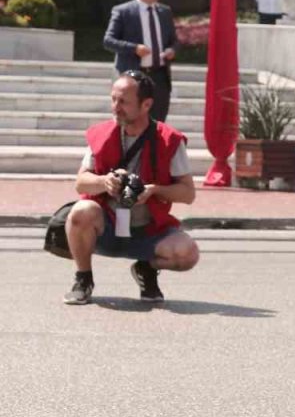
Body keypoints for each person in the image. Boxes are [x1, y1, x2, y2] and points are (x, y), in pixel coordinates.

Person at [62, 72, 200, 305]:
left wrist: (154, 190)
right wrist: (104, 181)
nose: (116, 107)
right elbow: (80, 183)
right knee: (81, 210)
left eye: (123, 101)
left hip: (148, 230)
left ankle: (145, 267)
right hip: (106, 227)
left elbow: (188, 193)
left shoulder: (169, 140)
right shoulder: (101, 134)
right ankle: (83, 279)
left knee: (188, 255)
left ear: (146, 104)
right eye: (113, 99)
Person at [103, 0, 177, 123]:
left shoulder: (165, 12)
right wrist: (135, 48)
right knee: (129, 123)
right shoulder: (123, 11)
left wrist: (172, 50)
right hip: (133, 77)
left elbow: (174, 41)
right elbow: (108, 40)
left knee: (158, 124)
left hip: (159, 77)